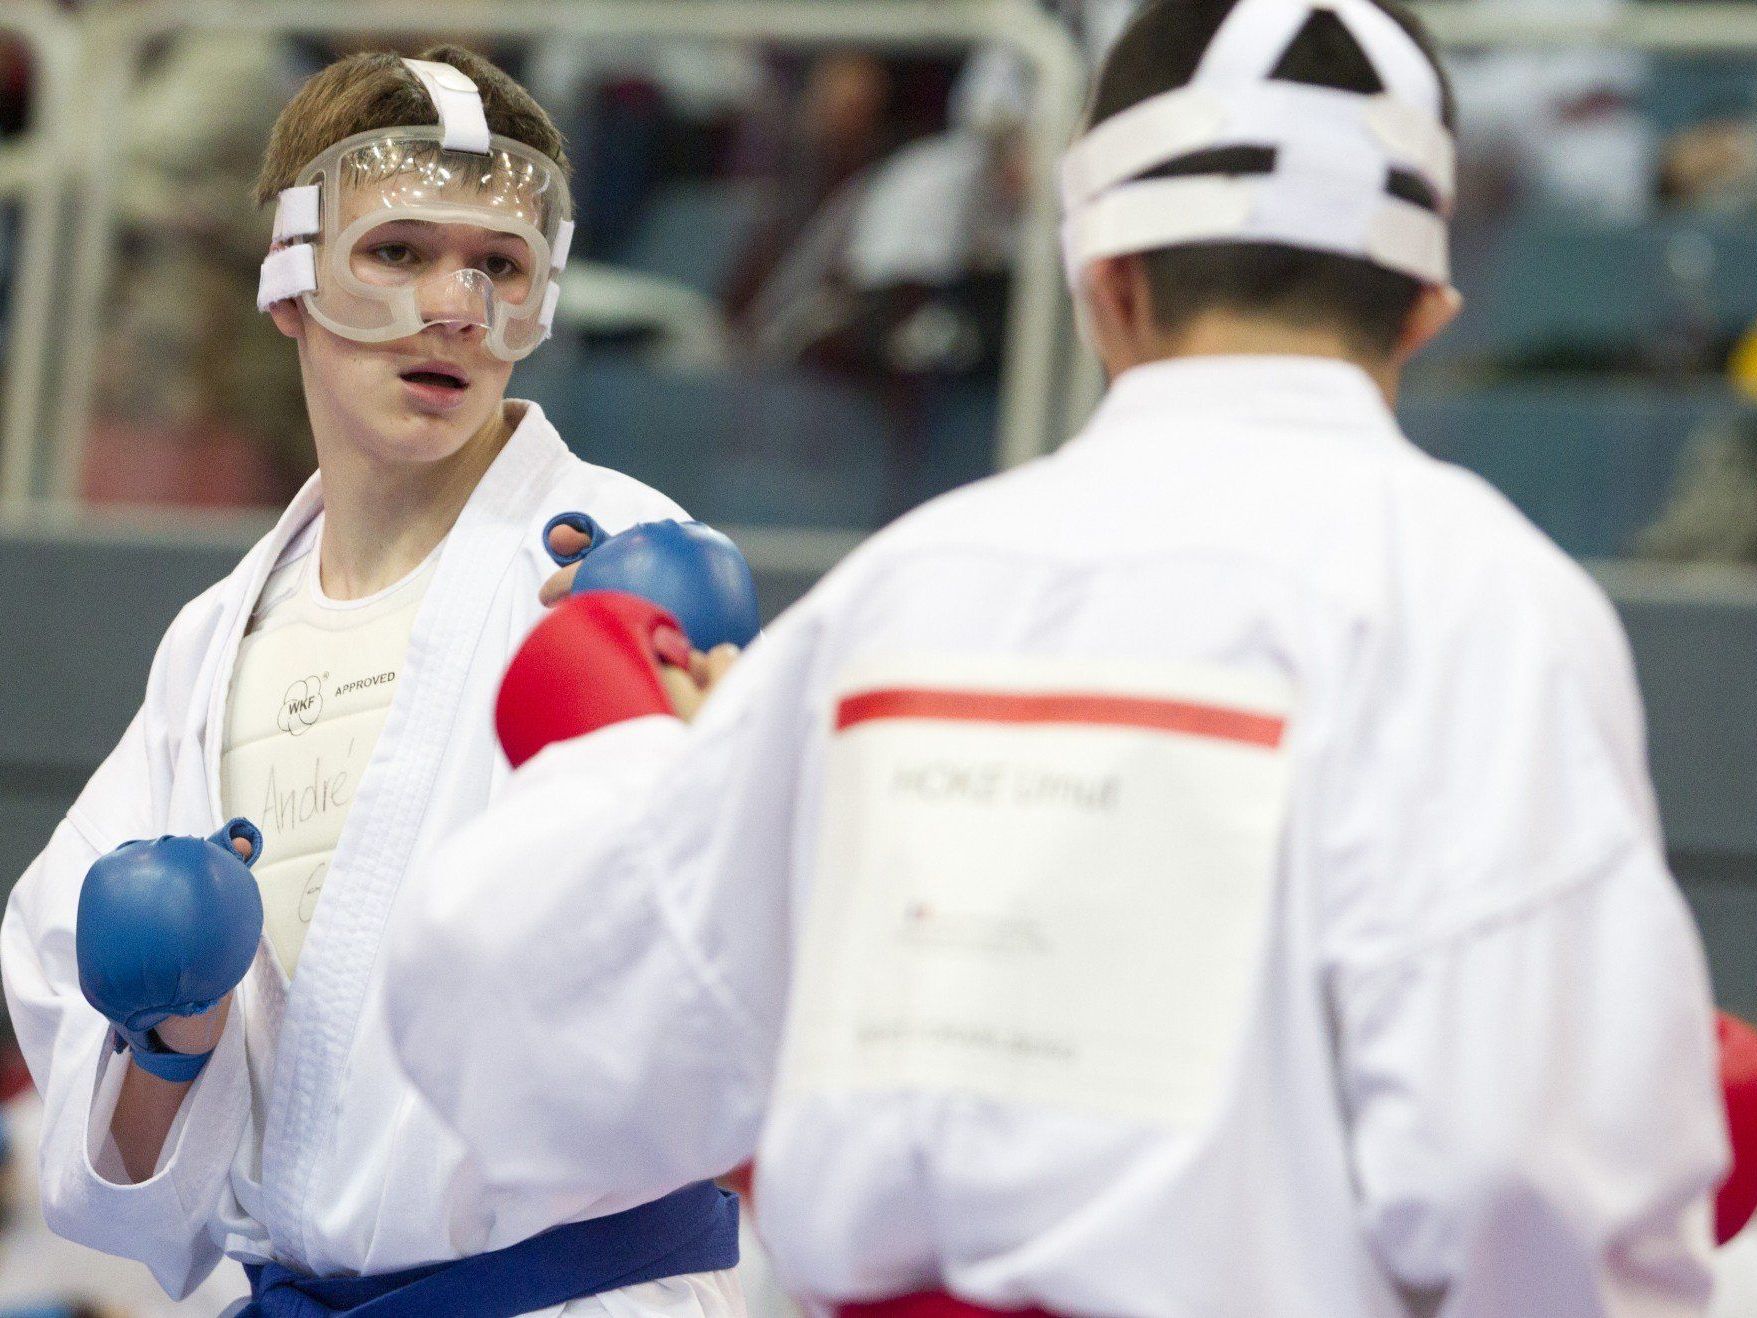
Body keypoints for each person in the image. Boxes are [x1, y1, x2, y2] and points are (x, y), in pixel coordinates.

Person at [387, 1, 1731, 1314]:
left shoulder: (907, 592)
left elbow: (510, 1015)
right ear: (1431, 303)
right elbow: (1527, 1171)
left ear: (1104, 281)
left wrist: (625, 756)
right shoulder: (1485, 602)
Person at [1, 47, 745, 1317]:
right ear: (289, 283)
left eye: (499, 266)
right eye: (398, 253)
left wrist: (678, 747)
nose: (454, 307)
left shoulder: (622, 569)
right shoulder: (210, 641)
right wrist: (163, 1042)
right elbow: (122, 1182)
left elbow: (745, 970)